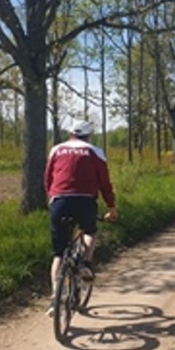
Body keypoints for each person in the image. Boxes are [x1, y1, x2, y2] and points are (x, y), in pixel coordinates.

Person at [43, 119, 117, 316]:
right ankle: (85, 263)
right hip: (85, 201)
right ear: (88, 135)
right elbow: (105, 184)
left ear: (71, 134)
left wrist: (51, 198)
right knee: (90, 231)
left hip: (59, 201)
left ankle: (53, 299)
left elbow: (48, 178)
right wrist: (111, 208)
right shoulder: (95, 151)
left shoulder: (56, 150)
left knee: (58, 254)